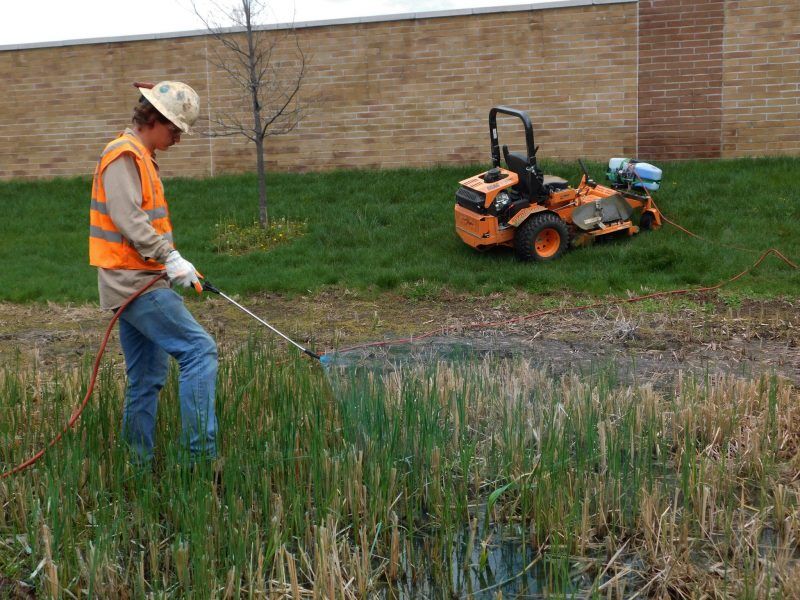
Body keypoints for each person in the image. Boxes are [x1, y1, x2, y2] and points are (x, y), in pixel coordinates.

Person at [89, 81, 217, 466]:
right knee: (199, 351)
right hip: (134, 283)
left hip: (138, 280)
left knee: (146, 378)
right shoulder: (123, 154)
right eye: (175, 129)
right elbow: (128, 217)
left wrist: (170, 263)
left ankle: (136, 466)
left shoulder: (141, 155)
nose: (177, 138)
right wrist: (170, 257)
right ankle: (200, 461)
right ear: (154, 118)